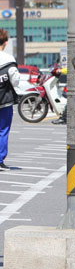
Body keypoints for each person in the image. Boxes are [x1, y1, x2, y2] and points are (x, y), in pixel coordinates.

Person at [0, 30, 20, 170]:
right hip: (4, 101)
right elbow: (16, 81)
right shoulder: (8, 60)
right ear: (5, 42)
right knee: (2, 130)